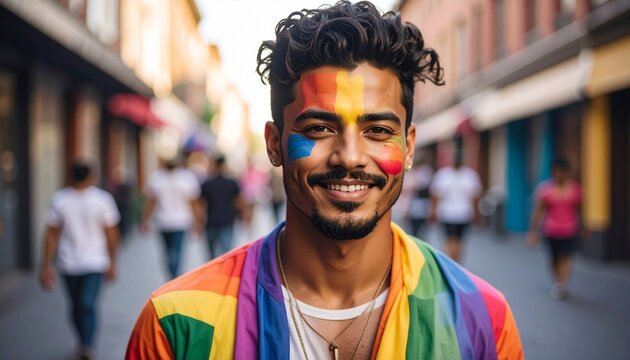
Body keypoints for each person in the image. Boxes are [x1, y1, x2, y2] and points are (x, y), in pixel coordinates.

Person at [126, 2, 523, 359]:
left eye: (379, 131)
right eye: (318, 128)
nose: (349, 156)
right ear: (274, 143)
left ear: (409, 147)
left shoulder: (482, 321)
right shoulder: (177, 325)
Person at [40, 161, 120, 360]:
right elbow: (52, 233)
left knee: (86, 304)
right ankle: (83, 340)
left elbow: (50, 235)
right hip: (69, 263)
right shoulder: (61, 200)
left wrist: (111, 262)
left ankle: (87, 345)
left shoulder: (101, 200)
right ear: (92, 176)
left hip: (94, 262)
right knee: (76, 306)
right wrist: (46, 265)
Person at [527, 158, 587, 300]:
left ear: (567, 172)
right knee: (554, 258)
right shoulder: (545, 190)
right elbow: (538, 211)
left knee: (566, 256)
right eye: (556, 171)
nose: (559, 174)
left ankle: (562, 284)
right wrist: (533, 231)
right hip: (551, 230)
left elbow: (580, 210)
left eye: (562, 171)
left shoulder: (576, 189)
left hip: (570, 230)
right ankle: (557, 280)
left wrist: (584, 226)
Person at [140, 157, 201, 279]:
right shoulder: (184, 178)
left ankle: (173, 276)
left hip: (169, 222)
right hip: (176, 222)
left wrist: (144, 220)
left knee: (170, 252)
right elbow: (193, 202)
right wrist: (198, 221)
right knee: (174, 252)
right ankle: (174, 276)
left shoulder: (158, 178)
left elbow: (151, 203)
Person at [429, 148, 482, 263]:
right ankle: (455, 261)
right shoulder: (467, 175)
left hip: (460, 214)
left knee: (456, 240)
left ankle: (453, 261)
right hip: (450, 213)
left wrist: (476, 213)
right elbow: (436, 196)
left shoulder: (467, 175)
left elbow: (474, 197)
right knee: (454, 239)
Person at [200, 155, 246, 259]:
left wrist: (199, 221)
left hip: (211, 220)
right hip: (227, 220)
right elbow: (238, 201)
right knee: (226, 252)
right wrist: (244, 215)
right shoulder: (232, 183)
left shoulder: (207, 184)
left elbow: (201, 204)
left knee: (211, 255)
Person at [406, 157, 433, 239]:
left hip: (422, 205)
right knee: (415, 229)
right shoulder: (412, 173)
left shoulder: (425, 171)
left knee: (421, 229)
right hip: (415, 206)